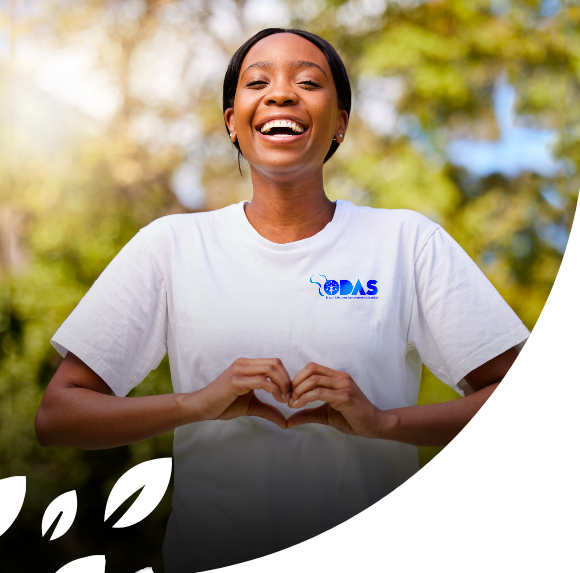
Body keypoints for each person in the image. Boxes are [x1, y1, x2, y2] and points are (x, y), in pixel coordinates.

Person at [35, 28, 530, 572]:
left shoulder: (406, 243)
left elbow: (528, 406)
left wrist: (384, 422)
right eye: (258, 82)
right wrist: (196, 404)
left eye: (309, 81)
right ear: (233, 121)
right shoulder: (171, 246)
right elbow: (59, 414)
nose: (281, 94)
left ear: (339, 123)